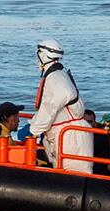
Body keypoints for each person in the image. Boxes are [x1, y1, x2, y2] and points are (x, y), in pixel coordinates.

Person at [27, 40, 94, 173]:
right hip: (65, 134)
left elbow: (48, 109)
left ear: (43, 55)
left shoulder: (55, 78)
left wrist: (33, 131)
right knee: (66, 171)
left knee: (73, 174)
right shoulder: (58, 74)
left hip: (69, 137)